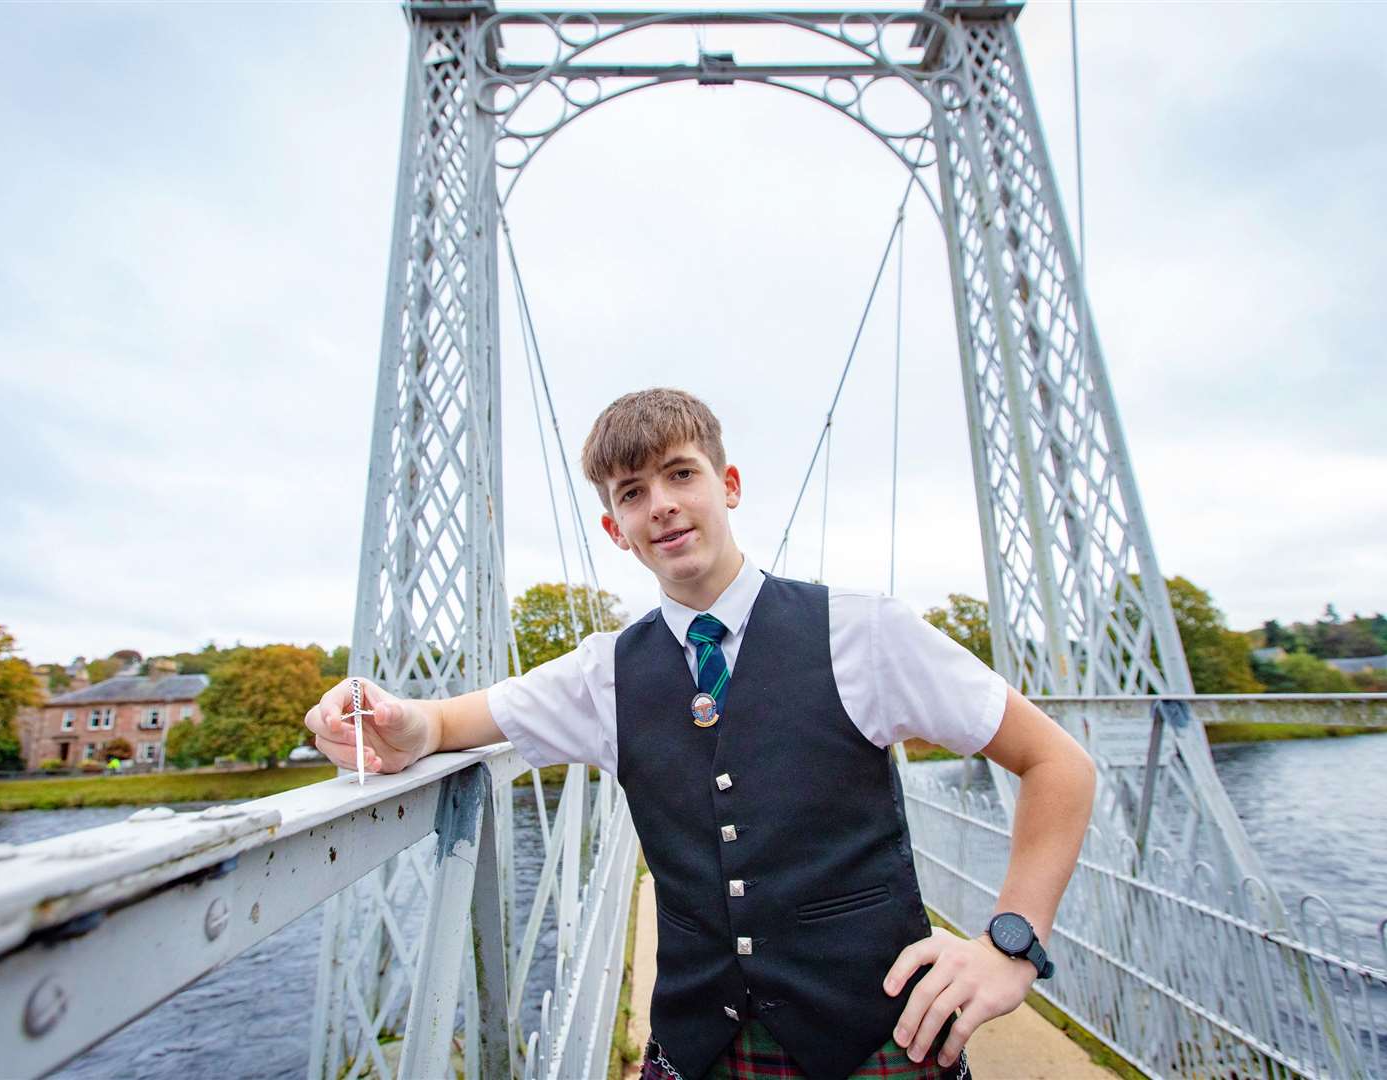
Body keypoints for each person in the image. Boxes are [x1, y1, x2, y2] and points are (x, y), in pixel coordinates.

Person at [306, 388, 1096, 1080]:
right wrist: (385, 718)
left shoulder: (864, 631)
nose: (663, 506)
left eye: (682, 474)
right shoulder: (605, 674)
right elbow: (440, 723)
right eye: (633, 492)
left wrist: (1009, 945)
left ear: (729, 484)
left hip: (877, 1039)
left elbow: (1056, 761)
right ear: (616, 528)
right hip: (700, 1049)